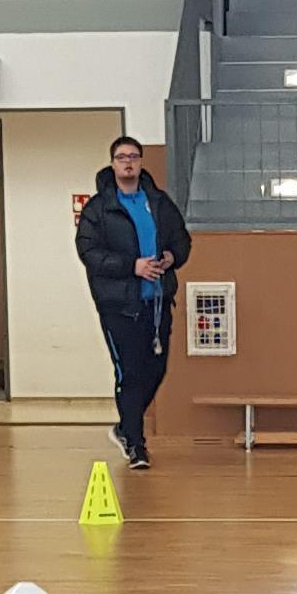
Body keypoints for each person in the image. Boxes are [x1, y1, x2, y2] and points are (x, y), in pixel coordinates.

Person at [74, 131, 189, 472]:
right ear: (113, 164)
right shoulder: (99, 209)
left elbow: (182, 240)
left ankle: (126, 426)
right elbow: (89, 252)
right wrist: (132, 266)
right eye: (122, 157)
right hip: (119, 306)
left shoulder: (159, 203)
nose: (128, 163)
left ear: (141, 162)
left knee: (156, 369)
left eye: (133, 157)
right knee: (130, 372)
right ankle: (136, 445)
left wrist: (171, 257)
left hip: (157, 304)